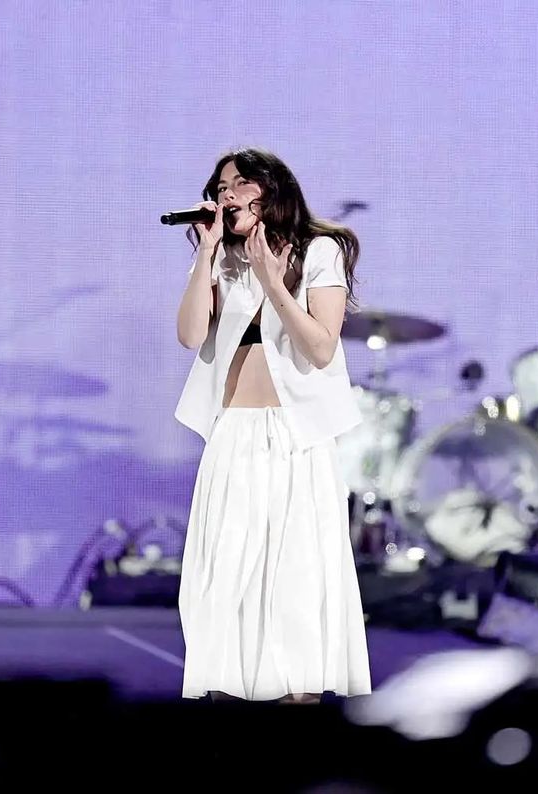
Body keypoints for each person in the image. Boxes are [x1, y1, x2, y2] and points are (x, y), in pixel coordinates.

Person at [174, 147, 372, 703]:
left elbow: (320, 346)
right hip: (233, 436)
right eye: (221, 185)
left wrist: (272, 279)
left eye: (238, 183)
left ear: (270, 189)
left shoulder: (319, 252)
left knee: (295, 586)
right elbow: (192, 335)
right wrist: (206, 253)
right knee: (224, 584)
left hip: (294, 440)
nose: (227, 193)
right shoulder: (224, 259)